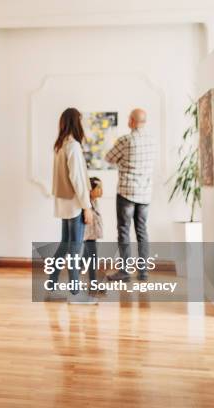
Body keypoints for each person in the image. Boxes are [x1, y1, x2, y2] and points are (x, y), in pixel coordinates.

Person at [51, 108, 96, 304]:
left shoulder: (61, 145)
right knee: (74, 249)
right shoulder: (74, 147)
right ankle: (75, 293)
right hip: (75, 205)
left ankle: (52, 283)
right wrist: (87, 207)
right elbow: (77, 180)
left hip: (64, 204)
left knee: (65, 246)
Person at [104, 109, 155, 282]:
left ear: (133, 121)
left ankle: (125, 271)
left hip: (127, 192)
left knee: (124, 231)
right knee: (142, 231)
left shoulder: (125, 140)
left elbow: (109, 158)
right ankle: (143, 272)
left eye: (129, 118)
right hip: (145, 194)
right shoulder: (151, 141)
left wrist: (121, 160)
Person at [84, 177, 103, 291]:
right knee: (92, 259)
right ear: (90, 190)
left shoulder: (95, 202)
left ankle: (93, 283)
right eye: (99, 188)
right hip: (88, 237)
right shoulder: (87, 205)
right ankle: (93, 284)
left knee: (88, 259)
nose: (102, 191)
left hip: (92, 236)